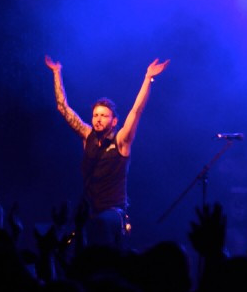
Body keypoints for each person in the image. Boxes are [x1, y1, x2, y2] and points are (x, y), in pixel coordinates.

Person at [45, 55, 170, 249]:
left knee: (100, 228)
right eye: (95, 115)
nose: (98, 119)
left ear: (113, 121)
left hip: (113, 212)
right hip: (90, 209)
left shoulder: (121, 140)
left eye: (104, 115)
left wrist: (148, 78)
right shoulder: (88, 136)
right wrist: (56, 72)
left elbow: (136, 110)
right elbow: (63, 108)